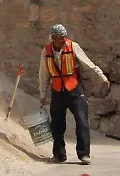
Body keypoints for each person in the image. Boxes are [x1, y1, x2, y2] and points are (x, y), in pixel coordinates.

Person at [38, 23, 110, 165]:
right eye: (60, 38)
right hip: (58, 91)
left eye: (64, 37)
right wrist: (42, 95)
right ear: (53, 38)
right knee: (57, 124)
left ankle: (84, 154)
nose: (64, 40)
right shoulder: (45, 52)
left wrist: (101, 76)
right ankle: (59, 155)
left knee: (82, 121)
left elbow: (87, 63)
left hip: (75, 90)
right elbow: (43, 74)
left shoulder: (73, 46)